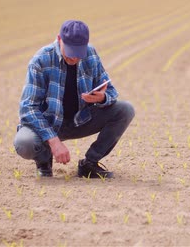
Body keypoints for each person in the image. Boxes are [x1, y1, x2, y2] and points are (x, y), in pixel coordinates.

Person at [13, 20, 135, 178]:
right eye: (71, 51)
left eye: (79, 52)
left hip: (81, 120)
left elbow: (111, 90)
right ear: (59, 39)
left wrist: (102, 97)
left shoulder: (91, 54)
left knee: (125, 110)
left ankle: (89, 164)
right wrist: (54, 141)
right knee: (24, 143)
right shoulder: (40, 61)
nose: (75, 58)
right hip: (50, 123)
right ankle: (44, 161)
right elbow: (27, 108)